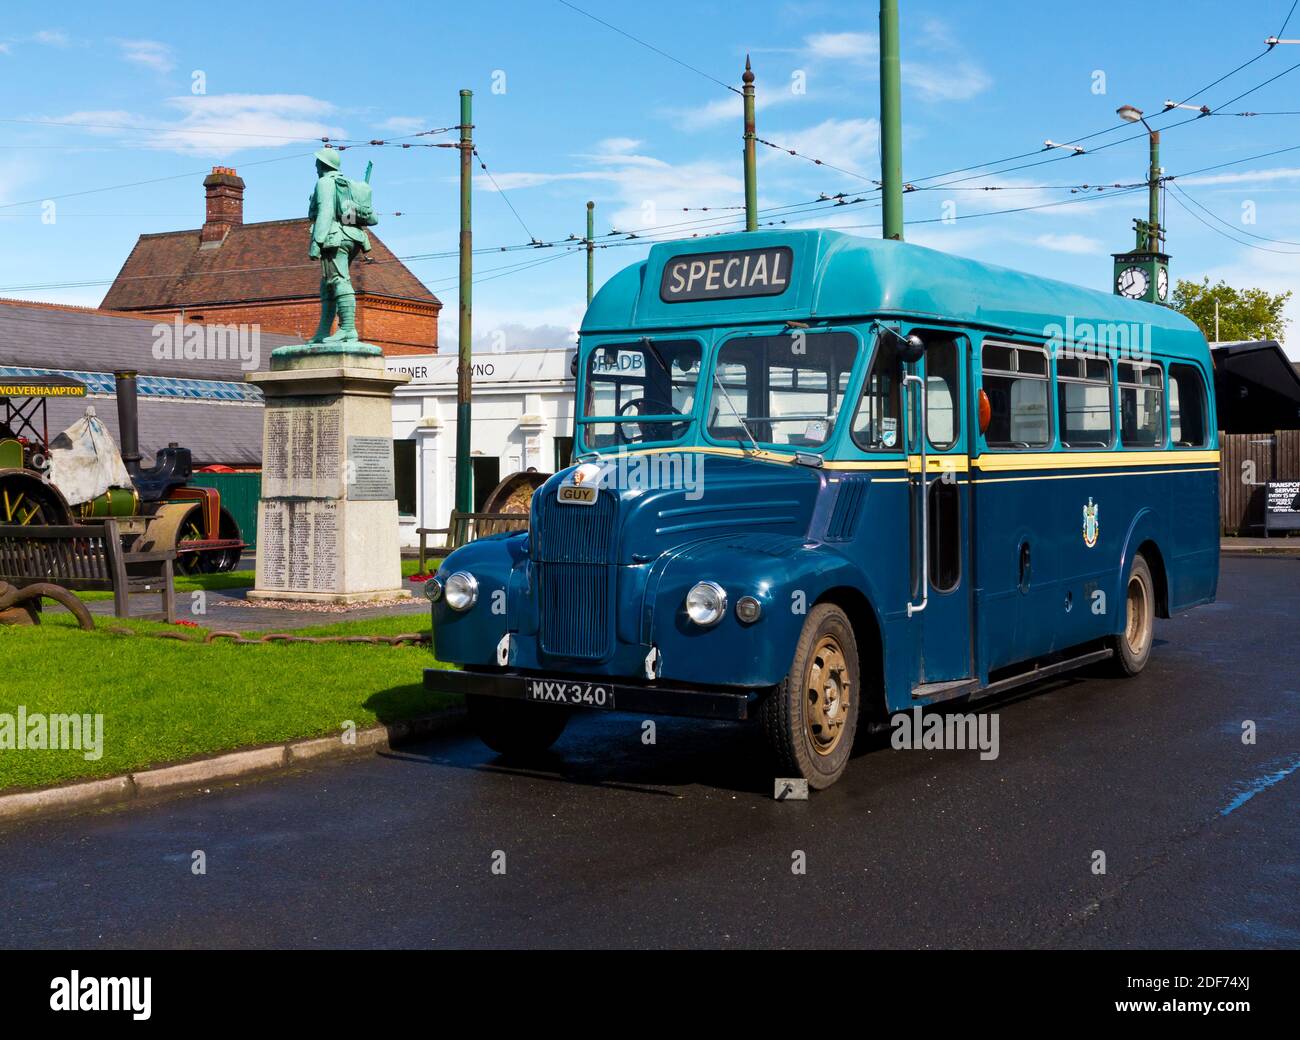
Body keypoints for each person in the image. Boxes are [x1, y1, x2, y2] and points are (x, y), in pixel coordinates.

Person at [307, 148, 371, 343]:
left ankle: (348, 328)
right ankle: (324, 331)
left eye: (317, 162)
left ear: (323, 164)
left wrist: (317, 242)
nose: (316, 166)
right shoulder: (349, 184)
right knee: (328, 284)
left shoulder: (325, 183)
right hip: (352, 237)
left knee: (338, 281)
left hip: (334, 237)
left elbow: (326, 212)